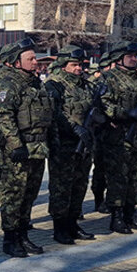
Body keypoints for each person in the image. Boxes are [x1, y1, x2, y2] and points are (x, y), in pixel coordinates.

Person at [0, 38, 54, 257]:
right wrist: (16, 145)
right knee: (13, 195)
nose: (36, 62)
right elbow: (4, 118)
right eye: (30, 58)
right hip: (16, 151)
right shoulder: (4, 84)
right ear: (15, 62)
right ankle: (10, 239)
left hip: (37, 147)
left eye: (35, 58)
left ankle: (23, 235)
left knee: (29, 195)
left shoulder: (33, 82)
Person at [98, 41, 137, 234]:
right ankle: (117, 216)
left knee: (134, 177)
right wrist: (126, 114)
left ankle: (131, 212)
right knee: (117, 178)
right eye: (130, 56)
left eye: (135, 55)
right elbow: (104, 105)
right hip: (117, 138)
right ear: (119, 58)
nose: (134, 59)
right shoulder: (108, 79)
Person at [44, 46, 97, 243]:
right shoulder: (54, 85)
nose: (78, 68)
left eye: (80, 64)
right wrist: (74, 128)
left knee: (80, 184)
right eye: (74, 65)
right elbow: (53, 113)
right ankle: (60, 227)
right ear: (63, 65)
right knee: (61, 187)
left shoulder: (85, 85)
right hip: (64, 145)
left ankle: (73, 223)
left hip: (84, 144)